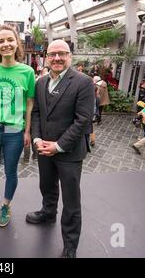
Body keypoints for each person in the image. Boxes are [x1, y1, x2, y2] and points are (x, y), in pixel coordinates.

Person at [26, 39, 95, 258]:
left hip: (69, 151)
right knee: (46, 185)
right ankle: (48, 213)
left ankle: (70, 244)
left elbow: (83, 119)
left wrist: (58, 146)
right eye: (53, 54)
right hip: (44, 147)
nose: (57, 58)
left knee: (71, 200)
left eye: (62, 54)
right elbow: (36, 112)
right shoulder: (41, 82)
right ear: (46, 56)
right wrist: (37, 139)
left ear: (70, 56)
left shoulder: (83, 82)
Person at [0, 24, 35, 228]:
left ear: (17, 43)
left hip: (15, 131)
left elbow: (29, 103)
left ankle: (6, 205)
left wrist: (27, 130)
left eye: (9, 40)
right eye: (1, 41)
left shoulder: (28, 72)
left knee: (11, 171)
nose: (6, 44)